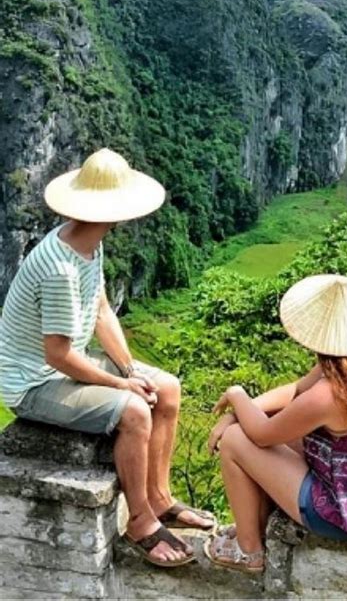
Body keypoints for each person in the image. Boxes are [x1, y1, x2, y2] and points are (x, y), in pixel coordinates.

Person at [0, 148, 215, 568]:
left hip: (63, 366)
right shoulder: (59, 268)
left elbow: (101, 312)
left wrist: (132, 369)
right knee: (134, 411)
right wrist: (121, 385)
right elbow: (58, 355)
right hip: (34, 383)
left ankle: (160, 497)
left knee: (166, 387)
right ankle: (139, 521)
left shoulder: (86, 244)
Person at [205, 274, 347, 574]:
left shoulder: (329, 394)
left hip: (340, 515)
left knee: (234, 440)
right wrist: (243, 411)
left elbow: (261, 435)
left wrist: (237, 396)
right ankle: (256, 525)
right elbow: (296, 391)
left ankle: (249, 551)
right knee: (263, 423)